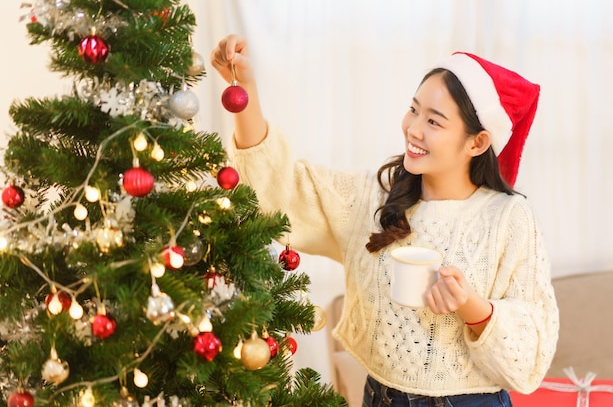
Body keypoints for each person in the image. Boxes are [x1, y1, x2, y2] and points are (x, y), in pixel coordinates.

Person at [211, 34, 559, 407]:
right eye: (414, 109)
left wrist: (471, 307)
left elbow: (530, 358)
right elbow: (279, 191)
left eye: (434, 121)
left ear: (477, 143)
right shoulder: (371, 200)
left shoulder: (509, 219)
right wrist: (244, 89)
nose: (413, 128)